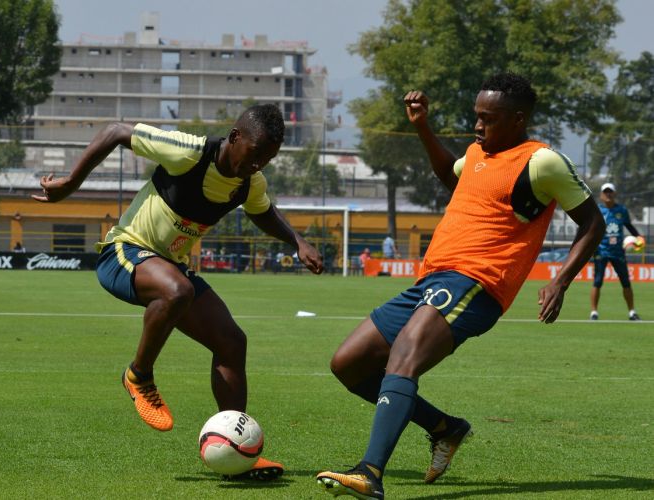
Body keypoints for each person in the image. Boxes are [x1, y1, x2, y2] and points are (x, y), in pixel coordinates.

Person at [316, 73, 605, 499]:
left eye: (488, 118)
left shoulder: (541, 162)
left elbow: (592, 222)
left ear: (518, 119)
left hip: (477, 282)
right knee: (348, 364)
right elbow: (453, 177)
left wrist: (560, 281)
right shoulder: (476, 154)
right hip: (432, 279)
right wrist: (422, 127)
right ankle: (445, 428)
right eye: (476, 116)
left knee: (403, 359)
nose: (477, 126)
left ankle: (370, 473)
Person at [33, 104, 323, 480]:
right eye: (255, 154)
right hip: (123, 253)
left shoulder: (249, 182)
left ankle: (237, 456)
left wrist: (297, 240)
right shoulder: (188, 152)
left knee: (232, 342)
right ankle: (139, 375)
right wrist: (70, 184)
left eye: (267, 159)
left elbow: (262, 211)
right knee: (178, 290)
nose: (258, 165)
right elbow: (117, 130)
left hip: (171, 272)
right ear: (235, 138)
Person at [590, 182, 645, 321]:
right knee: (597, 282)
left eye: (610, 192)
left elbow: (629, 225)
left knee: (626, 282)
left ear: (614, 194)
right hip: (601, 251)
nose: (608, 194)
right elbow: (589, 228)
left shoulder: (622, 210)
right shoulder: (597, 210)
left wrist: (638, 237)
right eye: (605, 192)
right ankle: (594, 312)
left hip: (618, 252)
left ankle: (632, 312)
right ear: (601, 195)